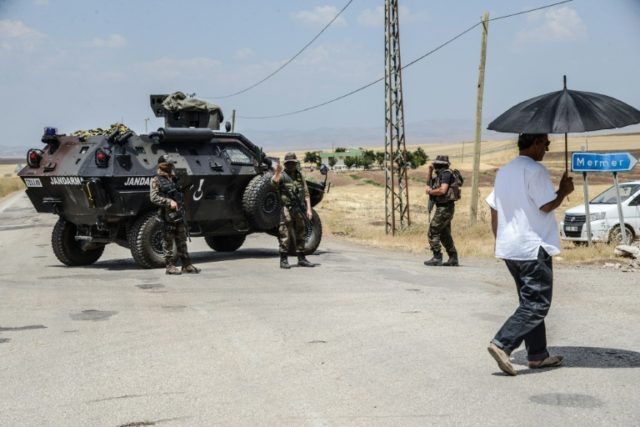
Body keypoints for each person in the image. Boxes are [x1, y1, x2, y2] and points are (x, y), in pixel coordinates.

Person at [485, 133, 574, 376]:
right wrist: (563, 191)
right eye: (545, 144)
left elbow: (493, 207)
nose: (546, 148)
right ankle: (503, 343)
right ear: (535, 144)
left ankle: (537, 355)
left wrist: (500, 239)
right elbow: (545, 205)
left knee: (528, 302)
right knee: (537, 304)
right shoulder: (536, 171)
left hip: (510, 247)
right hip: (532, 246)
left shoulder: (504, 171)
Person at [150, 155, 200, 275]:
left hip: (178, 214)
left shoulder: (173, 179)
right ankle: (170, 266)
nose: (171, 167)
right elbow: (153, 197)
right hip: (167, 216)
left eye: (171, 164)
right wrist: (168, 202)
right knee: (168, 242)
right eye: (168, 165)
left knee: (182, 240)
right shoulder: (156, 180)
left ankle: (186, 265)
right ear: (162, 165)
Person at [271, 153, 315, 269]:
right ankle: (283, 259)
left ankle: (301, 258)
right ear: (286, 164)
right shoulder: (282, 175)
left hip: (299, 208)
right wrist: (277, 172)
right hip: (286, 208)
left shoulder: (299, 176)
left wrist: (309, 209)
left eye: (293, 163)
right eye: (289, 163)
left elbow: (306, 193)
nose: (291, 165)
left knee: (301, 232)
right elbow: (273, 183)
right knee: (284, 233)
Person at [424, 155, 459, 267]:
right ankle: (453, 258)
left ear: (439, 165)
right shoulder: (441, 174)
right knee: (444, 234)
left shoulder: (446, 174)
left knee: (433, 230)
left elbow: (443, 190)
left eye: (435, 164)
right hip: (443, 207)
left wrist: (431, 192)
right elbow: (428, 183)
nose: (434, 165)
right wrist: (430, 171)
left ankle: (437, 257)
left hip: (445, 207)